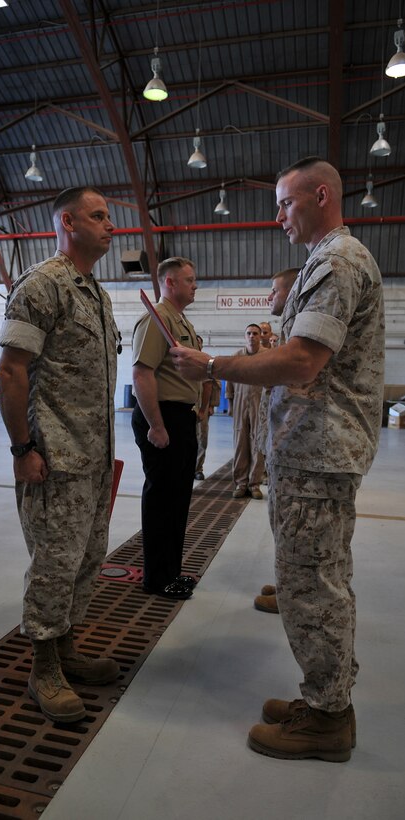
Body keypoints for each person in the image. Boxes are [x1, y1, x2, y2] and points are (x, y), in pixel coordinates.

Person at [170, 156, 384, 762]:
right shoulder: (327, 260)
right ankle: (325, 696)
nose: (278, 216)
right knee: (318, 579)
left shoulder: (336, 262)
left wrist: (213, 365)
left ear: (321, 195)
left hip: (320, 452)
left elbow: (300, 361)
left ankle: (326, 717)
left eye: (286, 203)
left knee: (311, 585)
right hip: (314, 451)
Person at [0, 186, 121, 724]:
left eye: (110, 217)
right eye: (98, 216)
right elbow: (12, 370)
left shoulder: (95, 291)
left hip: (94, 459)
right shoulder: (42, 285)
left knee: (87, 561)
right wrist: (23, 448)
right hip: (55, 458)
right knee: (53, 565)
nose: (110, 225)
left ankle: (67, 651)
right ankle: (43, 666)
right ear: (68, 223)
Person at [131, 257, 201, 600]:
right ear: (170, 283)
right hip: (162, 417)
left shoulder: (178, 321)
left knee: (178, 500)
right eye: (189, 280)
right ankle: (157, 578)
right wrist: (156, 426)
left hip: (181, 417)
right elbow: (142, 374)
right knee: (162, 501)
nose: (195, 285)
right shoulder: (154, 321)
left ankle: (172, 571)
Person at [253, 267, 300, 615]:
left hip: (299, 444)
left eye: (274, 290)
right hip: (282, 442)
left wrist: (213, 366)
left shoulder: (299, 332)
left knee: (296, 526)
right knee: (283, 522)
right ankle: (288, 584)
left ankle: (295, 594)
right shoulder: (287, 331)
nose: (270, 297)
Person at [225, 323, 266, 500]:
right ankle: (241, 483)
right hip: (241, 403)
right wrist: (231, 406)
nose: (252, 336)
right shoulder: (237, 358)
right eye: (249, 333)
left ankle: (254, 483)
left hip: (260, 404)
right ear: (244, 336)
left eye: (255, 333)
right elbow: (229, 384)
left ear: (260, 336)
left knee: (258, 444)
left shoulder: (268, 356)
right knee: (240, 443)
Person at [194, 335, 222, 481]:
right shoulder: (185, 360)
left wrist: (211, 406)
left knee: (202, 438)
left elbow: (216, 385)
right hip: (188, 405)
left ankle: (198, 468)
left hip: (203, 407)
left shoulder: (208, 362)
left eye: (199, 343)